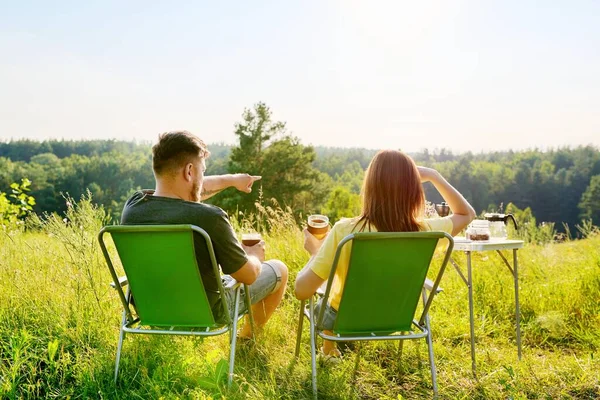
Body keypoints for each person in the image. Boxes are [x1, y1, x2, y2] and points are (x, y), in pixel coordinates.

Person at [294, 149, 476, 357]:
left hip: (344, 320)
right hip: (396, 320)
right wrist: (434, 176)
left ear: (370, 188)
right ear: (413, 191)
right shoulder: (425, 231)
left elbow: (301, 290)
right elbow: (467, 213)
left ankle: (329, 350)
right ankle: (330, 351)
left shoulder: (345, 231)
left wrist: (314, 252)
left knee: (325, 297)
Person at [121, 130, 288, 337]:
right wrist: (254, 256)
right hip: (207, 312)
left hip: (149, 307)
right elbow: (248, 275)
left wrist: (232, 180)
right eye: (202, 171)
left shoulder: (133, 207)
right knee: (279, 269)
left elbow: (186, 190)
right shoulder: (209, 218)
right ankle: (246, 339)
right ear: (189, 171)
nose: (203, 178)